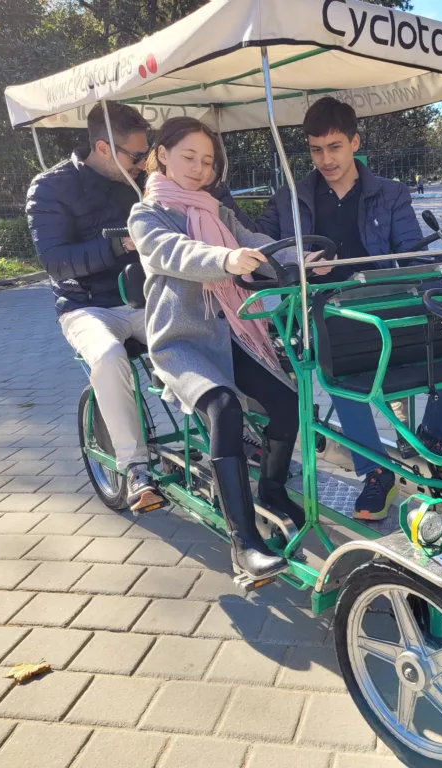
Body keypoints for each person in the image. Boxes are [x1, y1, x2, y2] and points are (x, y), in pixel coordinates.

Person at [249, 96, 442, 521]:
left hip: (382, 300)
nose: (325, 159)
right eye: (315, 149)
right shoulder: (291, 197)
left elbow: (410, 252)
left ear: (354, 143)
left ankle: (430, 440)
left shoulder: (390, 193)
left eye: (334, 147)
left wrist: (440, 276)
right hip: (324, 312)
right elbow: (262, 248)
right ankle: (374, 473)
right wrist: (297, 262)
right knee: (338, 368)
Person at [127, 116, 307, 580]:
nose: (199, 167)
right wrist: (224, 260)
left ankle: (271, 489)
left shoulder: (217, 210)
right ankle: (244, 543)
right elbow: (173, 252)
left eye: (207, 161)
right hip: (181, 339)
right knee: (224, 407)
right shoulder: (146, 214)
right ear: (162, 155)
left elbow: (258, 243)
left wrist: (300, 257)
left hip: (233, 329)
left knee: (288, 402)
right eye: (189, 156)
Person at [26, 103, 162, 513]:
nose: (144, 164)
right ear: (104, 148)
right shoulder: (49, 188)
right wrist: (121, 244)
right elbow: (54, 261)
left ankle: (238, 432)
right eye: (137, 157)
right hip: (86, 305)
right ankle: (136, 467)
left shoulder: (143, 182)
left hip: (145, 297)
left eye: (147, 154)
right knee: (107, 355)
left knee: (210, 330)